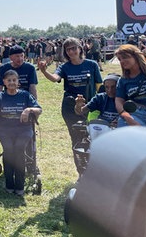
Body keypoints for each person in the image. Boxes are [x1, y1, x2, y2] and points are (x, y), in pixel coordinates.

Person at [39, 37, 102, 175]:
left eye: (74, 48)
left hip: (91, 107)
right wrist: (44, 71)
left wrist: (102, 104)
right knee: (77, 140)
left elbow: (99, 87)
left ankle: (95, 172)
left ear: (80, 48)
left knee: (94, 139)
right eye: (68, 49)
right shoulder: (65, 67)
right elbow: (55, 78)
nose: (71, 51)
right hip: (70, 108)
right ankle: (82, 172)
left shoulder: (92, 65)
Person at [0, 70, 42, 196]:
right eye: (9, 80)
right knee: (8, 149)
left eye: (14, 80)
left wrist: (28, 110)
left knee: (18, 148)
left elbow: (39, 109)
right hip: (5, 130)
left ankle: (19, 184)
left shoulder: (25, 95)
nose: (11, 82)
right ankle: (9, 184)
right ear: (4, 82)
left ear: (18, 82)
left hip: (24, 130)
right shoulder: (0, 96)